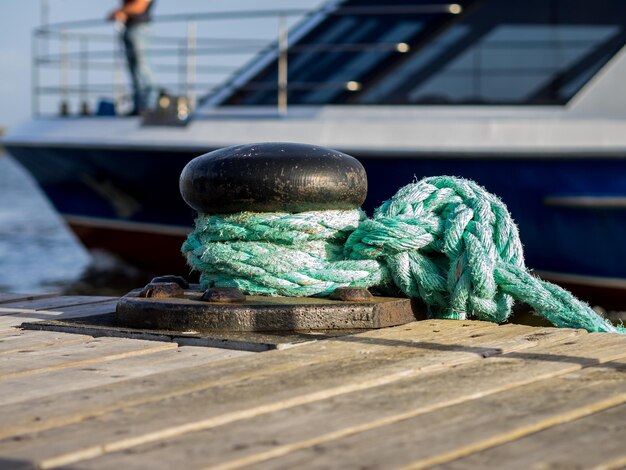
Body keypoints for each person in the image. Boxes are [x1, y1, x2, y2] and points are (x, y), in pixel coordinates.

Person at [108, 0, 156, 115]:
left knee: (142, 67)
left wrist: (119, 11)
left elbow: (138, 6)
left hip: (139, 29)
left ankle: (149, 105)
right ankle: (139, 106)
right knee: (133, 70)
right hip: (130, 28)